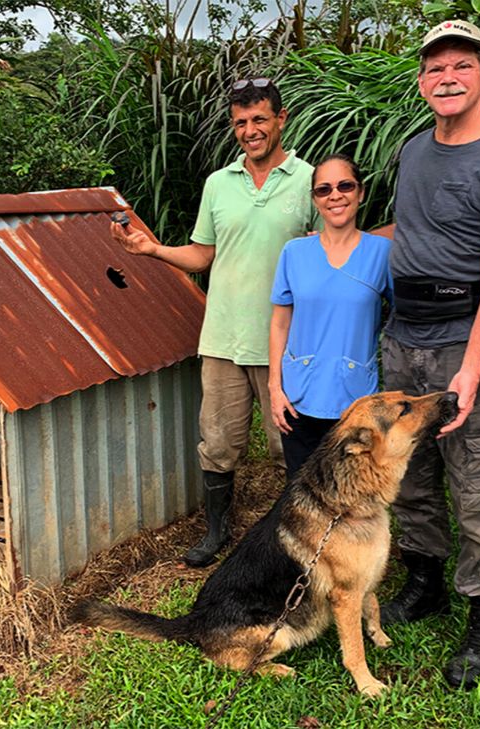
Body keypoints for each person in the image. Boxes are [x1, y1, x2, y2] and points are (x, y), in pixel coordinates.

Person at [378, 19, 480, 690]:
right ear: (422, 81)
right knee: (409, 474)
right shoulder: (415, 150)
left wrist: (470, 370)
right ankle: (425, 581)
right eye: (434, 66)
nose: (447, 76)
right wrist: (328, 245)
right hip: (402, 336)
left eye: (460, 65)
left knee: (475, 483)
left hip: (461, 337)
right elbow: (404, 232)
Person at [111, 78, 319, 568]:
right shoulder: (218, 184)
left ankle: (298, 539)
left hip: (286, 345)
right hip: (224, 338)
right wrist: (152, 249)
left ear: (280, 119)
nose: (251, 130)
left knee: (287, 446)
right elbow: (203, 255)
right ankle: (217, 531)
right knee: (219, 442)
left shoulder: (310, 179)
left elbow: (325, 258)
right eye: (241, 123)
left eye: (260, 120)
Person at [268, 154, 392, 482]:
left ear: (360, 192)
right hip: (299, 395)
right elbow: (280, 322)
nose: (334, 195)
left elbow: (403, 315)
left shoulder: (381, 253)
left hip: (355, 400)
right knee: (302, 492)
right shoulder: (294, 253)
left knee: (351, 492)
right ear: (315, 200)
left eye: (344, 186)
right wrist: (275, 388)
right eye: (323, 190)